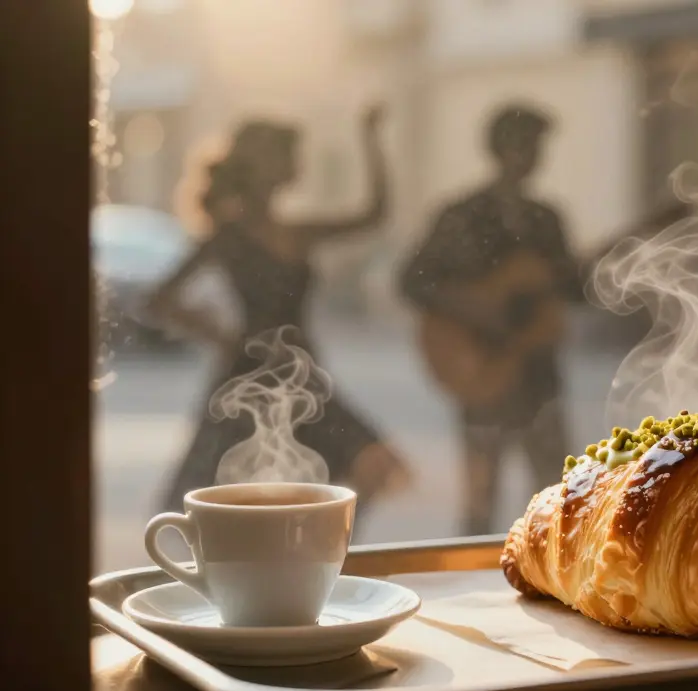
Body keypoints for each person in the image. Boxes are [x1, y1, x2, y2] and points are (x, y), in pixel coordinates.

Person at [149, 106, 411, 521]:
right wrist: (220, 335)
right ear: (261, 166)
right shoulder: (230, 236)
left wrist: (371, 140)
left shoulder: (297, 231)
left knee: (362, 470)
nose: (297, 164)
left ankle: (317, 557)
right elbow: (159, 298)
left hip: (305, 374)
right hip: (247, 377)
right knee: (233, 495)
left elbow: (373, 214)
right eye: (288, 154)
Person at [399, 103, 580, 535]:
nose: (533, 155)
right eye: (524, 144)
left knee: (558, 495)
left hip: (537, 372)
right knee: (480, 502)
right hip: (481, 370)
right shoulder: (462, 216)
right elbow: (412, 280)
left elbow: (574, 289)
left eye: (537, 146)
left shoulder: (545, 219)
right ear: (499, 149)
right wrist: (475, 307)